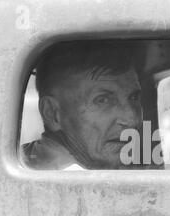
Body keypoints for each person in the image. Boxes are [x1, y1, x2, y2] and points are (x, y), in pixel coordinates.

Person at [21, 41, 143, 170]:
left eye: (134, 98)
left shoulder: (24, 161)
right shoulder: (69, 185)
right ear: (52, 113)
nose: (132, 120)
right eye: (103, 100)